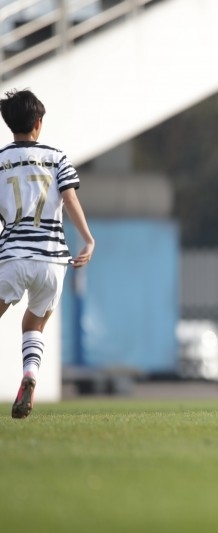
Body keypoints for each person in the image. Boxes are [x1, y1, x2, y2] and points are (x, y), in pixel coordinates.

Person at [0, 89, 95, 419]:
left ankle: (27, 377)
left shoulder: (0, 161)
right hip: (52, 260)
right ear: (38, 123)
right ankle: (30, 375)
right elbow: (69, 199)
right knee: (34, 322)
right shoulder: (56, 157)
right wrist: (88, 239)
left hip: (13, 257)